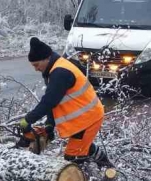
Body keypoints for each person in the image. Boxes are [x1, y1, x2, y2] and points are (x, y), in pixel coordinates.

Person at [16, 37, 110, 166]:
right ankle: (108, 169)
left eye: (36, 65)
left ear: (46, 58)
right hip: (84, 117)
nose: (35, 69)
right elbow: (55, 100)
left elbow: (49, 101)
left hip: (87, 118)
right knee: (82, 146)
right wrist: (50, 124)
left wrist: (28, 119)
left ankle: (91, 179)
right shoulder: (54, 68)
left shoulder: (60, 72)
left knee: (73, 158)